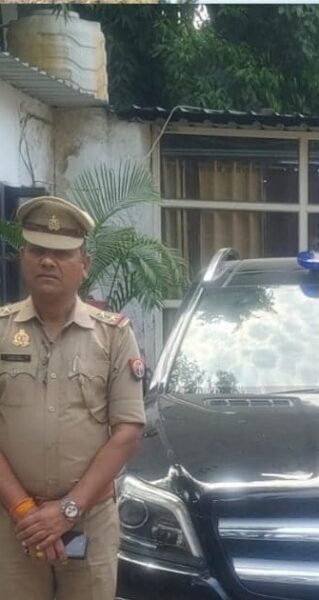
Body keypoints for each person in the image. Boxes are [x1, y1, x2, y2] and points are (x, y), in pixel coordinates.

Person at [0, 196, 146, 599]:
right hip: (12, 523)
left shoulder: (113, 335)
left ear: (84, 265)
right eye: (38, 250)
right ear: (23, 258)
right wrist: (25, 511)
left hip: (90, 521)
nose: (48, 261)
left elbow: (127, 432)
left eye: (62, 253)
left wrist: (67, 511)